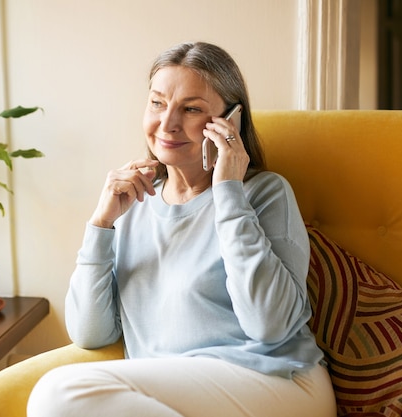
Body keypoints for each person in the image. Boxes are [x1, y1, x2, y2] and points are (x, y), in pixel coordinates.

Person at [27, 42, 336, 417]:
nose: (167, 123)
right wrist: (101, 225)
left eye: (191, 109)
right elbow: (90, 334)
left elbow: (269, 325)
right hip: (175, 395)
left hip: (278, 382)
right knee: (56, 397)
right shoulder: (133, 203)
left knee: (57, 393)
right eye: (157, 103)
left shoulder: (265, 193)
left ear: (232, 121)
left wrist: (228, 193)